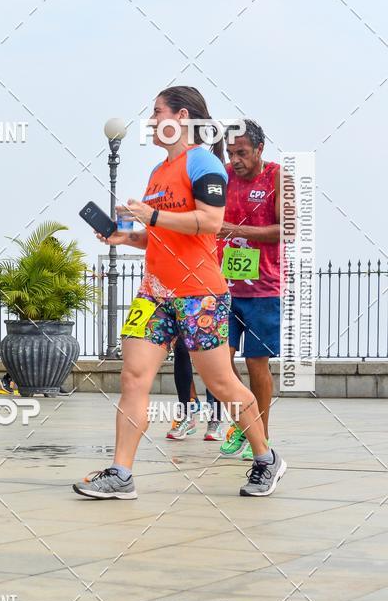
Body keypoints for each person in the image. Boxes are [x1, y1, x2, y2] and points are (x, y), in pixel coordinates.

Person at [72, 87, 287, 500]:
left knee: (222, 382)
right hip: (154, 293)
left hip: (199, 293)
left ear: (180, 116)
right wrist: (126, 235)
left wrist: (151, 214)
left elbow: (209, 221)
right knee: (133, 377)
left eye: (157, 112)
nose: (150, 120)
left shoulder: (205, 161)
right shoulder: (157, 172)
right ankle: (121, 473)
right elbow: (162, 234)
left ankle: (265, 459)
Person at [217, 120, 282, 461]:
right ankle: (243, 425)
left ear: (259, 149)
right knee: (220, 364)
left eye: (242, 152)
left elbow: (286, 229)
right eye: (230, 153)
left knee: (257, 363)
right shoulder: (222, 177)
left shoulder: (275, 177)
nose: (235, 160)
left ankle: (262, 436)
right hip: (223, 288)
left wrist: (236, 229)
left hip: (264, 290)